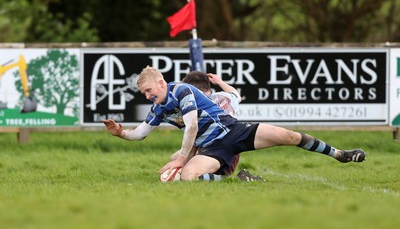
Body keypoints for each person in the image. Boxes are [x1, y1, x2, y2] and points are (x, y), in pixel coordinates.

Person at [103, 66, 366, 182]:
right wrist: (121, 134)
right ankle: (238, 180)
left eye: (149, 90)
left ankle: (340, 154)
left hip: (235, 130)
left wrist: (182, 156)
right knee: (187, 178)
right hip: (213, 148)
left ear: (161, 83)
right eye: (144, 95)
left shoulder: (181, 90)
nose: (148, 97)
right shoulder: (158, 107)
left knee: (289, 136)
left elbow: (192, 126)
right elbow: (140, 133)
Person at [176, 71, 263, 181]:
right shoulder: (222, 97)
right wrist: (219, 81)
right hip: (233, 149)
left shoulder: (192, 106)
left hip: (218, 152)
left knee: (185, 169)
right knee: (177, 158)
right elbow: (236, 94)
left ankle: (226, 179)